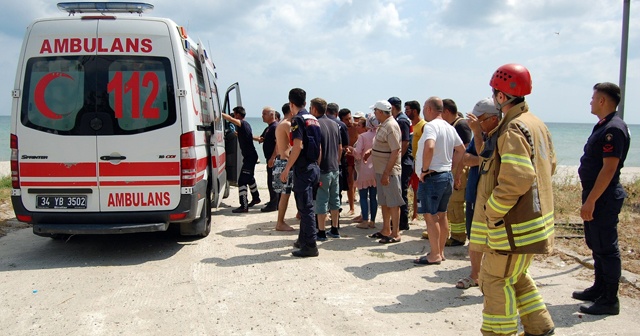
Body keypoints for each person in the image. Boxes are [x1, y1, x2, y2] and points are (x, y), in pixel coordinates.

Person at [476, 64, 556, 336]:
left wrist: (493, 211)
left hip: (512, 227)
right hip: (531, 226)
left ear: (500, 97)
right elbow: (550, 166)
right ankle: (539, 327)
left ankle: (500, 333)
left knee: (495, 280)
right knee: (517, 276)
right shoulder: (536, 124)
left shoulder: (512, 129)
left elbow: (518, 177)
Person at [573, 82, 630, 316]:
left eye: (593, 97)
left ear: (603, 101)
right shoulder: (604, 125)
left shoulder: (613, 129)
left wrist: (591, 201)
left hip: (604, 196)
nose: (591, 101)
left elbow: (608, 169)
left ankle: (609, 299)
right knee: (596, 244)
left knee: (606, 247)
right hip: (596, 194)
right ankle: (598, 288)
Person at [412, 97, 465, 265]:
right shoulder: (449, 127)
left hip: (433, 177)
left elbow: (430, 146)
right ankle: (440, 252)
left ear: (428, 109)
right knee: (442, 216)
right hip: (445, 176)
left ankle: (434, 254)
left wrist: (425, 169)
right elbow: (461, 150)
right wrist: (450, 166)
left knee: (431, 216)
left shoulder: (431, 126)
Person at [457, 97, 500, 290]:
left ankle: (490, 275)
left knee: (493, 238)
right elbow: (466, 158)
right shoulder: (480, 135)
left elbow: (487, 158)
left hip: (492, 195)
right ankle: (475, 274)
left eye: (480, 119)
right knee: (474, 236)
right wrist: (481, 158)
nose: (476, 124)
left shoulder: (501, 135)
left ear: (494, 118)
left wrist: (476, 134)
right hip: (475, 192)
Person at [280, 88, 322, 258]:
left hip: (303, 169)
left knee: (305, 208)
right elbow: (319, 147)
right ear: (305, 102)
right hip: (314, 167)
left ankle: (311, 245)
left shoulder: (297, 119)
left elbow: (297, 146)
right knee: (307, 205)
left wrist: (287, 167)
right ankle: (302, 240)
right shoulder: (314, 119)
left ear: (291, 104)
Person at [367, 100, 403, 244]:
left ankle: (395, 233)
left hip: (389, 171)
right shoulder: (384, 125)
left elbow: (395, 150)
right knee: (384, 201)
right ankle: (386, 229)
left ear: (381, 112)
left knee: (393, 202)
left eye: (375, 111)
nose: (374, 114)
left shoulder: (391, 126)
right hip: (381, 170)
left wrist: (387, 173)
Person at [442, 99, 472, 246]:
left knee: (456, 202)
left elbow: (464, 151)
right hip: (452, 168)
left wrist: (459, 174)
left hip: (459, 169)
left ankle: (458, 236)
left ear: (446, 111)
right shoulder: (453, 125)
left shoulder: (461, 125)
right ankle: (453, 232)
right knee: (451, 203)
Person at [311, 97, 342, 240]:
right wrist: (336, 162)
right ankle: (335, 229)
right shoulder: (335, 124)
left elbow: (319, 149)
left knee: (321, 200)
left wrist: (317, 166)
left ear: (314, 109)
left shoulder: (316, 124)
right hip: (334, 167)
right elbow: (339, 147)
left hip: (323, 168)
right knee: (335, 199)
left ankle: (321, 232)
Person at [222, 106, 260, 213]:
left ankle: (244, 206)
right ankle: (256, 198)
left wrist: (219, 114)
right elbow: (247, 136)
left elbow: (230, 119)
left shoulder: (242, 123)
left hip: (250, 157)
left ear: (238, 115)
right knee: (249, 177)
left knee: (242, 181)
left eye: (234, 114)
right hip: (250, 156)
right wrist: (256, 138)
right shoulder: (246, 125)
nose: (233, 116)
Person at [389, 97, 413, 232]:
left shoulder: (401, 120)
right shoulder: (400, 119)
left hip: (403, 162)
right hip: (402, 161)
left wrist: (396, 159)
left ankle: (403, 222)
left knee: (400, 193)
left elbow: (405, 143)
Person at [351, 114, 378, 229]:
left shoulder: (363, 136)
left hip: (364, 168)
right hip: (376, 169)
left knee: (363, 196)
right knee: (373, 196)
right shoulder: (379, 135)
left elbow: (357, 154)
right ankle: (373, 221)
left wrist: (351, 150)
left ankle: (365, 220)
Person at [272, 103, 295, 231]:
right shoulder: (287, 124)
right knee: (285, 194)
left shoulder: (280, 123)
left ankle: (282, 221)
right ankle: (280, 222)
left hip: (280, 160)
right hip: (285, 162)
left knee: (284, 193)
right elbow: (294, 142)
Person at [254, 106, 279, 213]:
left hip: (274, 159)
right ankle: (273, 202)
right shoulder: (269, 127)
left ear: (271, 115)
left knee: (272, 182)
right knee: (271, 182)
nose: (262, 116)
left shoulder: (275, 127)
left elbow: (278, 144)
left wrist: (273, 157)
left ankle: (274, 204)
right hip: (269, 158)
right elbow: (262, 139)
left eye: (264, 114)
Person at [405, 100, 426, 224]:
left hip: (419, 163)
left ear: (414, 111)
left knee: (417, 190)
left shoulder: (423, 125)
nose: (405, 112)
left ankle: (416, 215)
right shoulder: (410, 125)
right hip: (410, 161)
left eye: (407, 110)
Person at [339, 108, 357, 216]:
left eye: (350, 118)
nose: (349, 121)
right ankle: (352, 207)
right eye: (346, 119)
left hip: (358, 156)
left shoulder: (357, 126)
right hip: (347, 156)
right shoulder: (341, 128)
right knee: (350, 182)